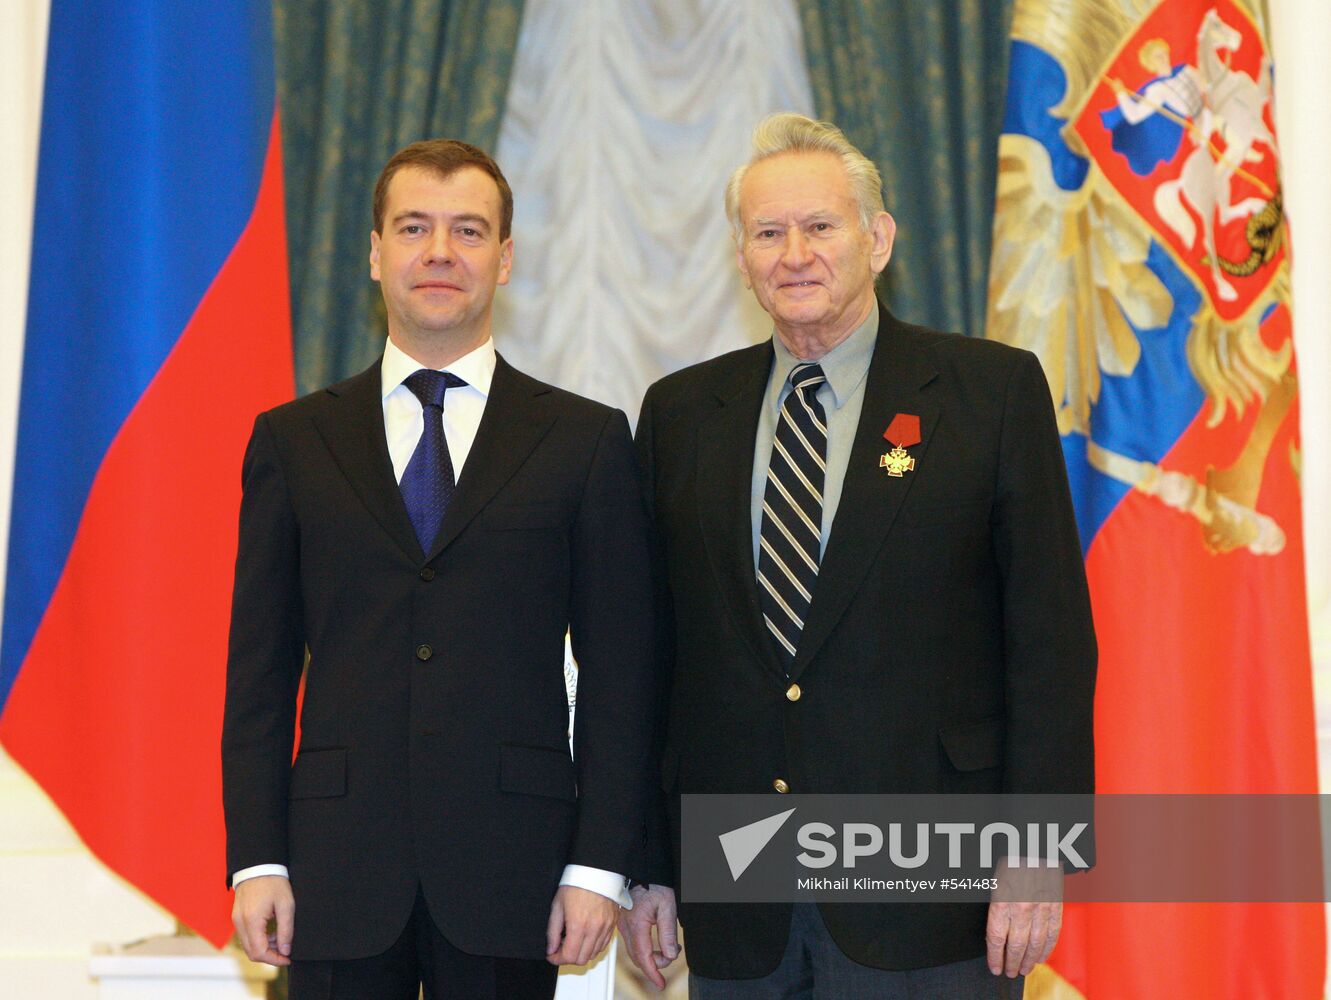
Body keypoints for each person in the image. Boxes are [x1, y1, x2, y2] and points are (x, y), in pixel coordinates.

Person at [621, 113, 1096, 997]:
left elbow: (1050, 645)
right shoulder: (681, 414)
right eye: (767, 232)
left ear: (876, 240)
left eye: (820, 226)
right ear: (741, 255)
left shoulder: (988, 393)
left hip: (930, 889)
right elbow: (651, 659)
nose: (793, 252)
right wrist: (646, 864)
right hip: (735, 893)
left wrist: (1038, 854)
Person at [222, 139, 656, 1000]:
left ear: (503, 259)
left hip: (517, 872)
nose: (440, 252)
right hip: (334, 872)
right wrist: (256, 858)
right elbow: (259, 673)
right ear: (376, 253)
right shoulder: (293, 440)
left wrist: (600, 867)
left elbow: (622, 676)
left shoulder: (585, 439)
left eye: (468, 230)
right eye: (414, 227)